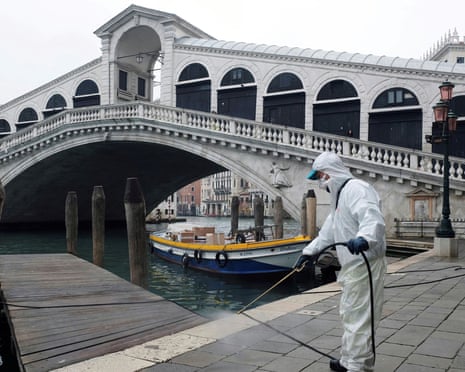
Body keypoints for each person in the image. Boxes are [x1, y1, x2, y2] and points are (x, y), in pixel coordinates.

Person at [294, 151, 386, 372]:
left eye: (321, 177)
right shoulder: (339, 196)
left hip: (364, 263)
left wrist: (364, 238)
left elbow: (371, 217)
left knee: (359, 315)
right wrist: (309, 253)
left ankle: (357, 365)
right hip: (351, 265)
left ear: (329, 173)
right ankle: (348, 359)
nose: (320, 182)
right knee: (349, 312)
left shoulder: (357, 189)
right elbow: (328, 232)